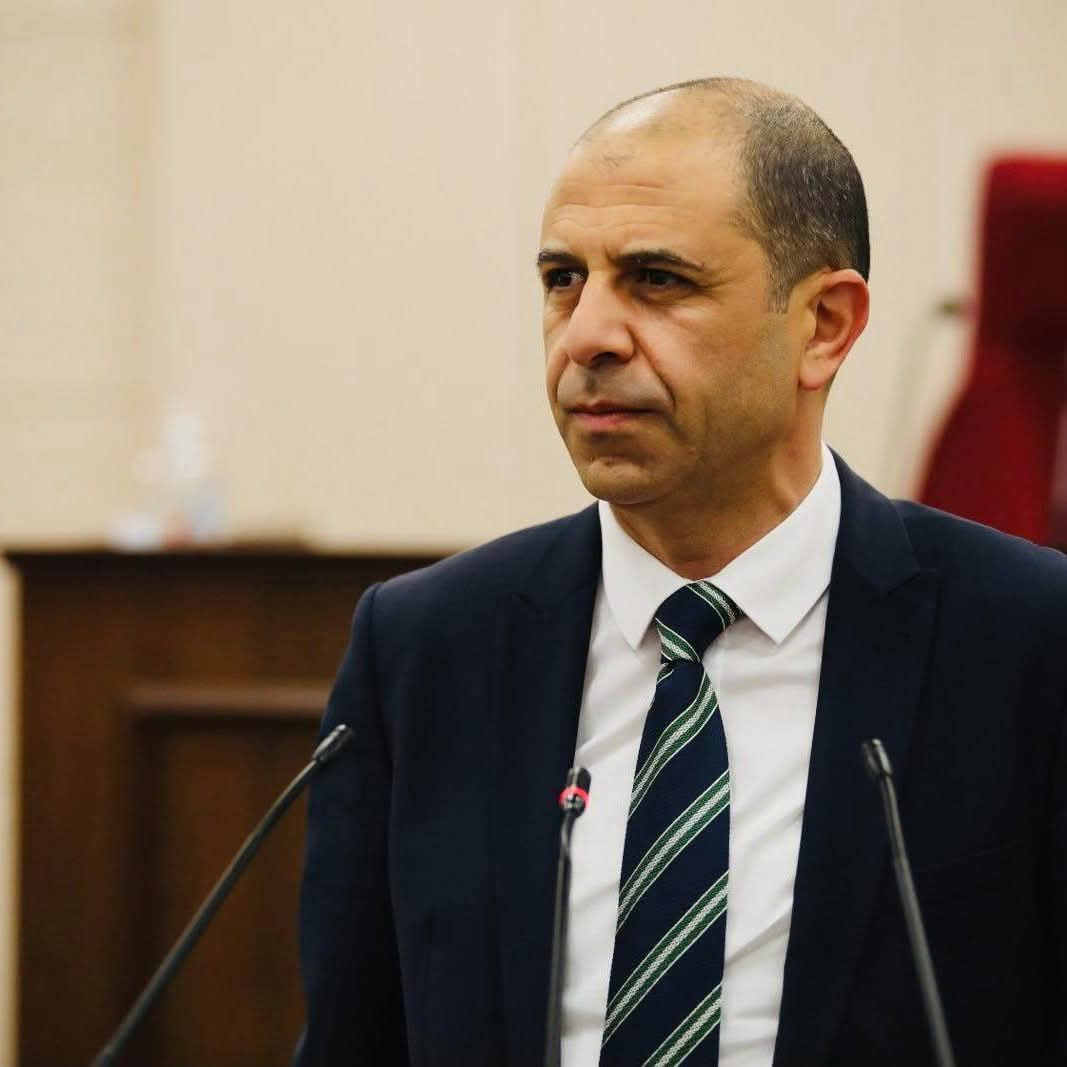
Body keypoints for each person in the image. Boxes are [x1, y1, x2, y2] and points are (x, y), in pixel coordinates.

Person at [294, 78, 1067, 1067]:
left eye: (656, 280)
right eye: (562, 279)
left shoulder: (1026, 639)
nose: (586, 335)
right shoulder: (424, 646)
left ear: (824, 325)